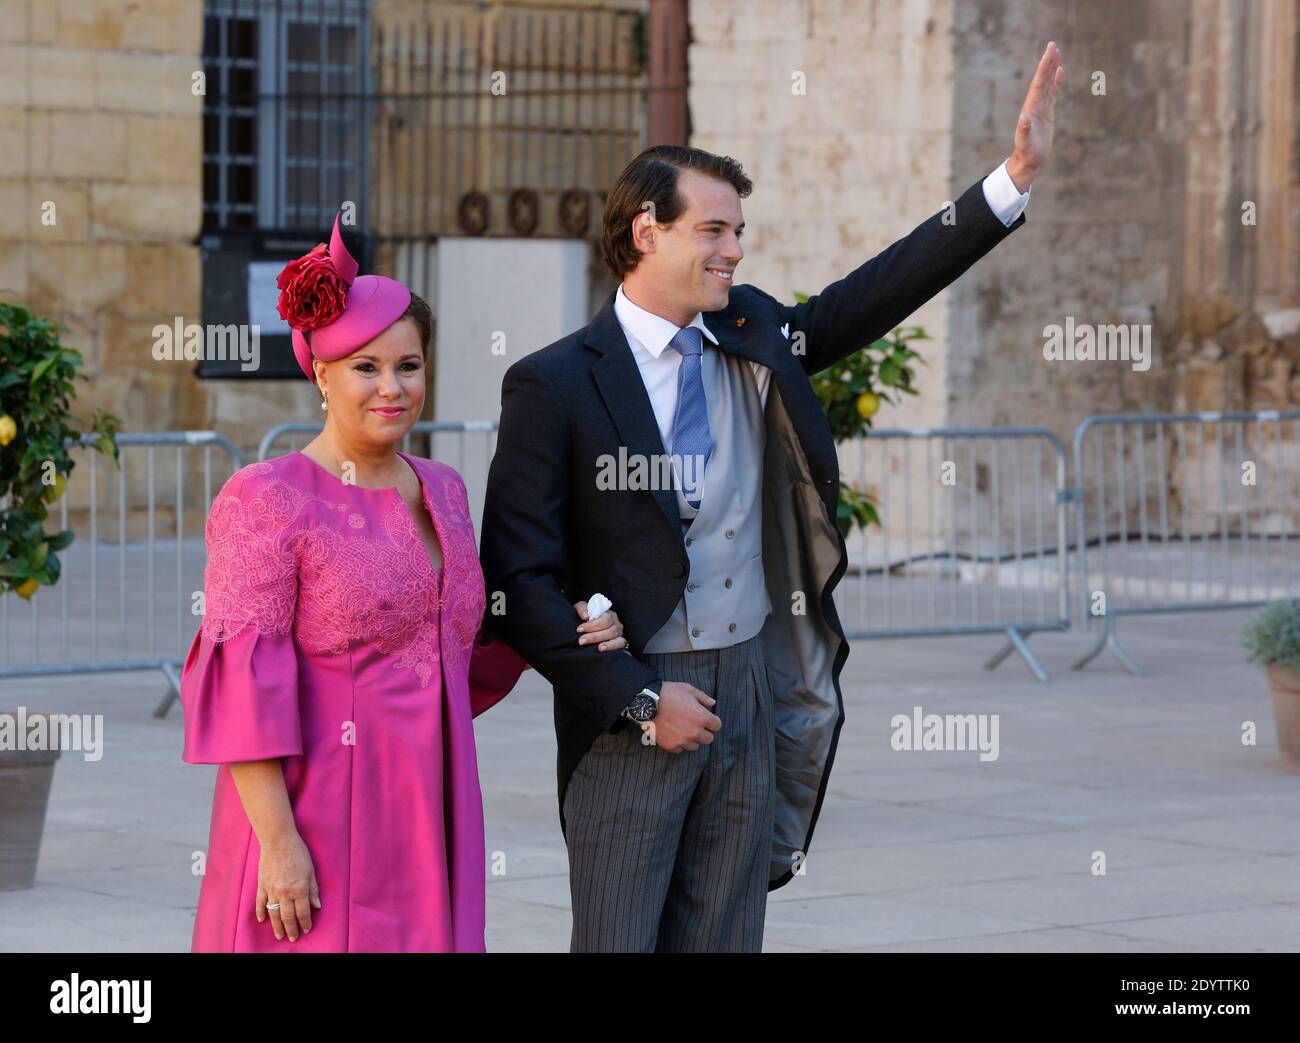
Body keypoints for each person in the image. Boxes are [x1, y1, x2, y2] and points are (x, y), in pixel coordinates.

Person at [481, 44, 1063, 952]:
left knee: (726, 935)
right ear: (646, 231)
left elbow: (874, 294)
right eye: (714, 230)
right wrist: (637, 698)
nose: (735, 249)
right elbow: (515, 577)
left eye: (738, 230)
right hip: (634, 701)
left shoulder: (751, 334)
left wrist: (1009, 181)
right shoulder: (552, 383)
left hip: (748, 681)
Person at [180, 214, 627, 952]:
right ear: (321, 373)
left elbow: (463, 651)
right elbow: (241, 695)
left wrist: (568, 619)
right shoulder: (264, 496)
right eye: (366, 366)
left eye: (409, 366)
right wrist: (280, 845)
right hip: (311, 815)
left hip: (431, 804)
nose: (392, 387)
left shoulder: (445, 487)